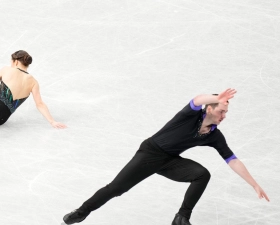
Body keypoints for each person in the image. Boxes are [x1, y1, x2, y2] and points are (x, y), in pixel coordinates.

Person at [63, 89, 269, 225]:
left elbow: (232, 159)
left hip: (170, 160)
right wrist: (216, 98)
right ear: (210, 108)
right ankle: (82, 211)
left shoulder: (214, 135)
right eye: (222, 111)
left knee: (201, 174)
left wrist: (254, 184)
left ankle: (181, 218)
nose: (224, 116)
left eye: (225, 113)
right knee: (116, 189)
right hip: (150, 153)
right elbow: (196, 100)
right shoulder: (190, 114)